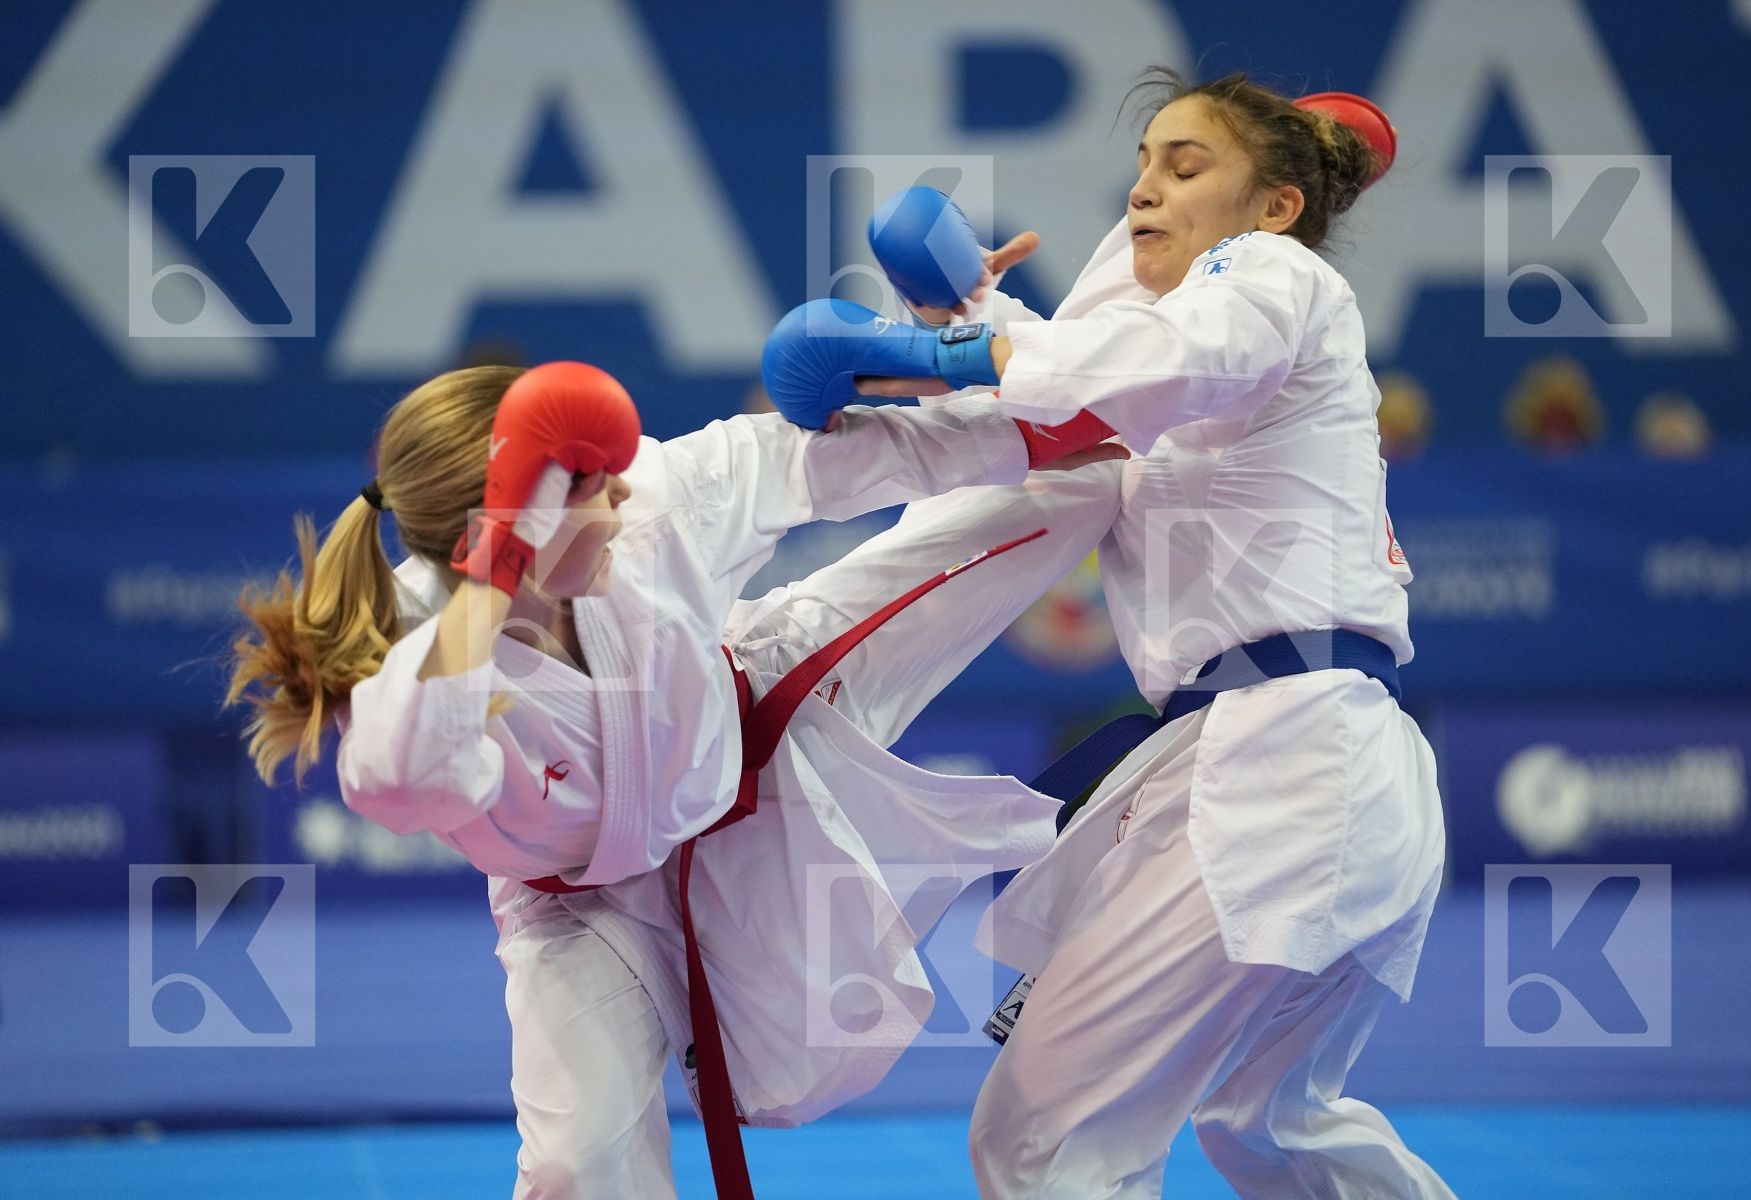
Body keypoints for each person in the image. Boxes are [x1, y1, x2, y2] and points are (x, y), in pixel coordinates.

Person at [761, 72, 1453, 1198]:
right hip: (1309, 761)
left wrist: (933, 354)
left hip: (1288, 767)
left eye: (1185, 168)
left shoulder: (1274, 273)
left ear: (1274, 206)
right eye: (1140, 166)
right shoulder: (1209, 344)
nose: (1143, 189)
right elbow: (1099, 402)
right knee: (1271, 1124)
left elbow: (1143, 369)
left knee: (1046, 1138)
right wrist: (971, 316)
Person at [226, 360, 1126, 1199]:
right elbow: (395, 779)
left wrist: (1056, 403)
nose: (623, 495)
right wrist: (496, 579)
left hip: (761, 716)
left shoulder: (655, 492)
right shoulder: (405, 650)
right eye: (592, 487)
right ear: (499, 530)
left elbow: (843, 455)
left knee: (1071, 490)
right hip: (581, 907)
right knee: (575, 1169)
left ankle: (1156, 406)